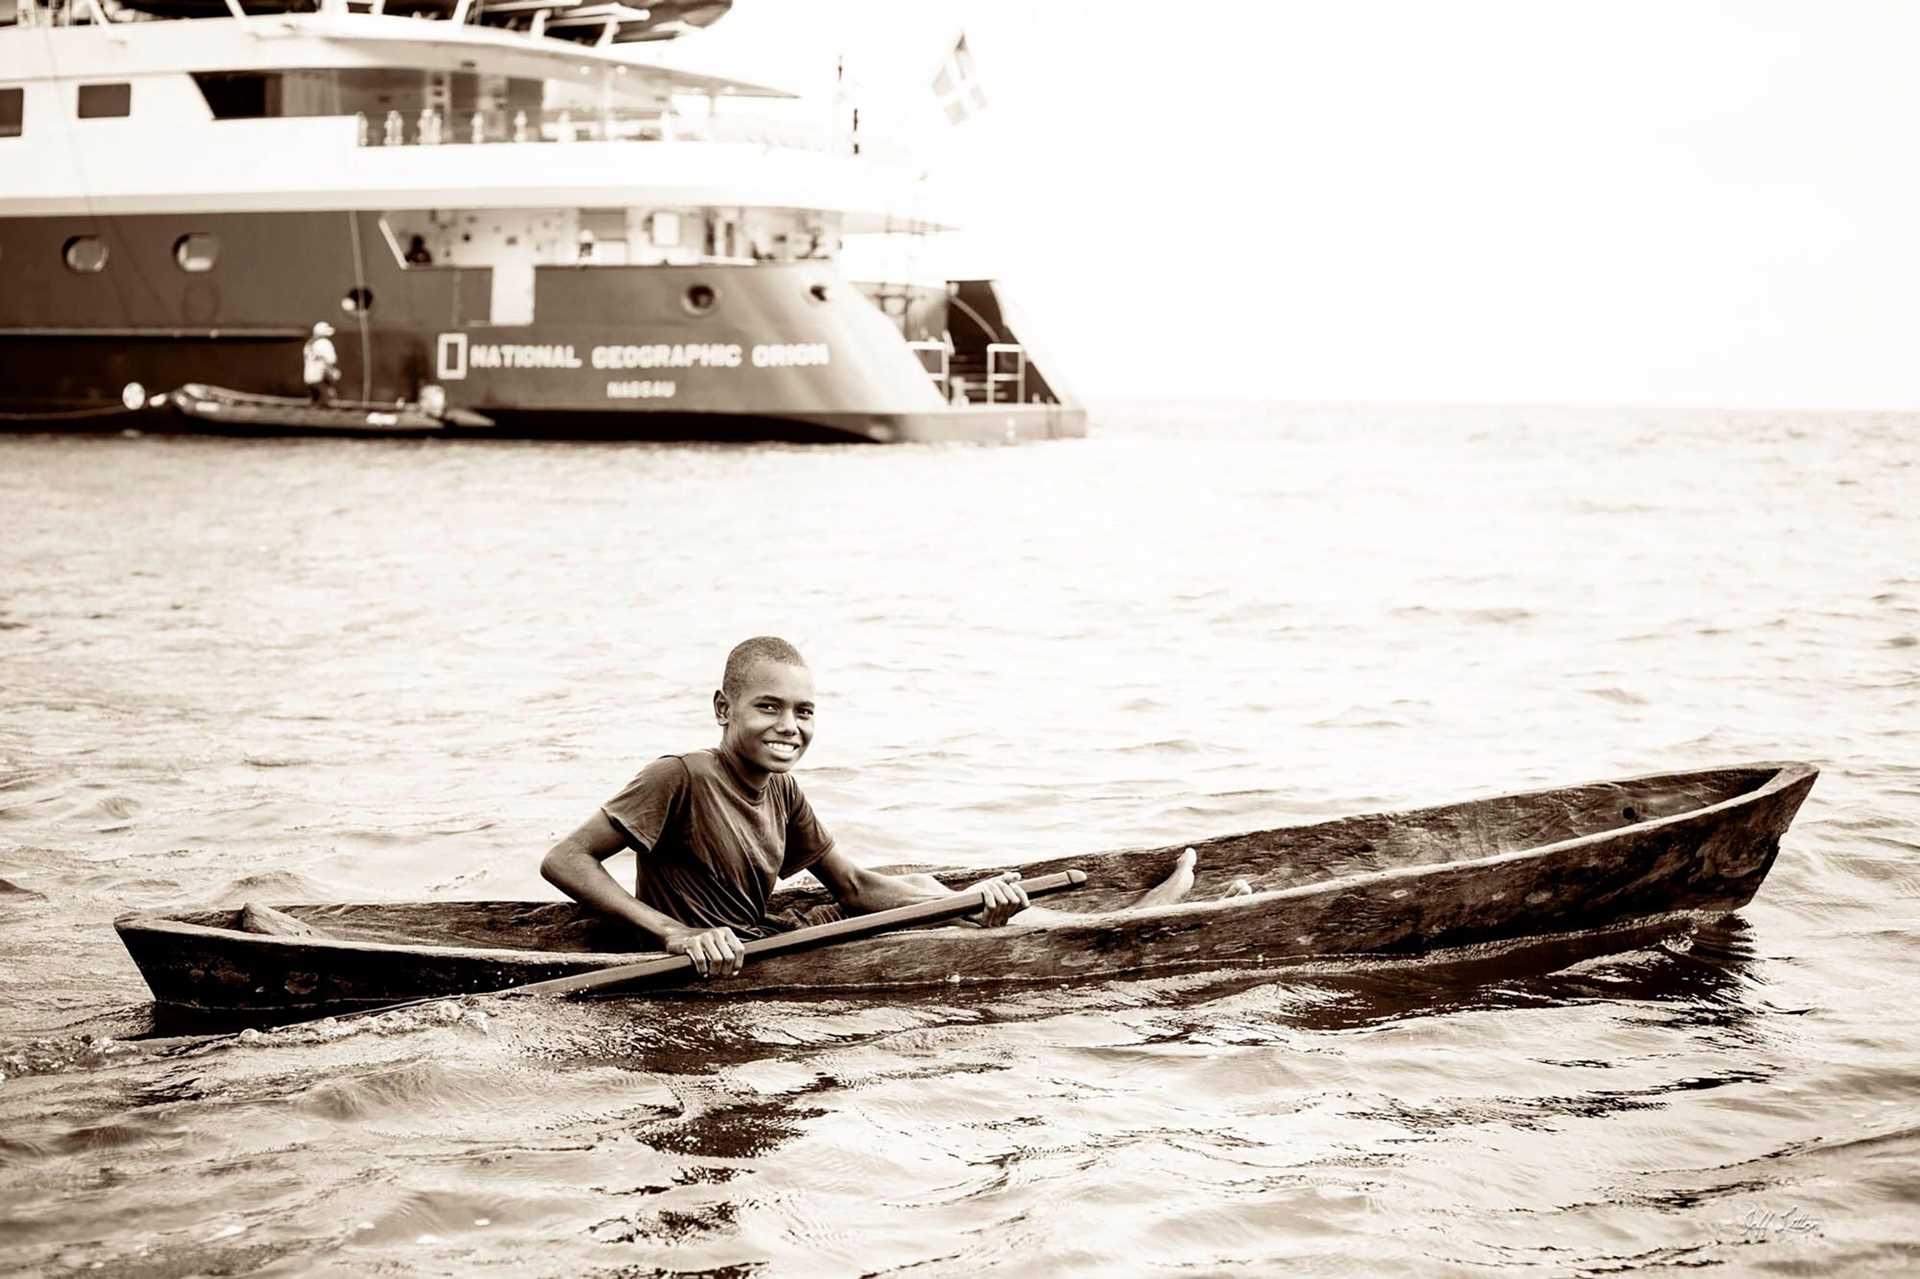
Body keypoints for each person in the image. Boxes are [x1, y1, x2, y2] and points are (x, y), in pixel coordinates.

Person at [540, 637, 1206, 978]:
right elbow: (565, 859)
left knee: (924, 891)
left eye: (804, 711)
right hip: (724, 956)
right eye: (766, 706)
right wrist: (672, 932)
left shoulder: (782, 789)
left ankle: (1077, 923)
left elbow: (853, 886)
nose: (788, 726)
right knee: (936, 919)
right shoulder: (678, 776)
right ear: (724, 709)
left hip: (769, 937)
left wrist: (970, 898)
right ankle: (1120, 928)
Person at [302, 322, 340, 406]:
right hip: (321, 381)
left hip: (309, 381)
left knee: (315, 407)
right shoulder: (324, 343)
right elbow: (329, 362)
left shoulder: (308, 344)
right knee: (326, 407)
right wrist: (332, 379)